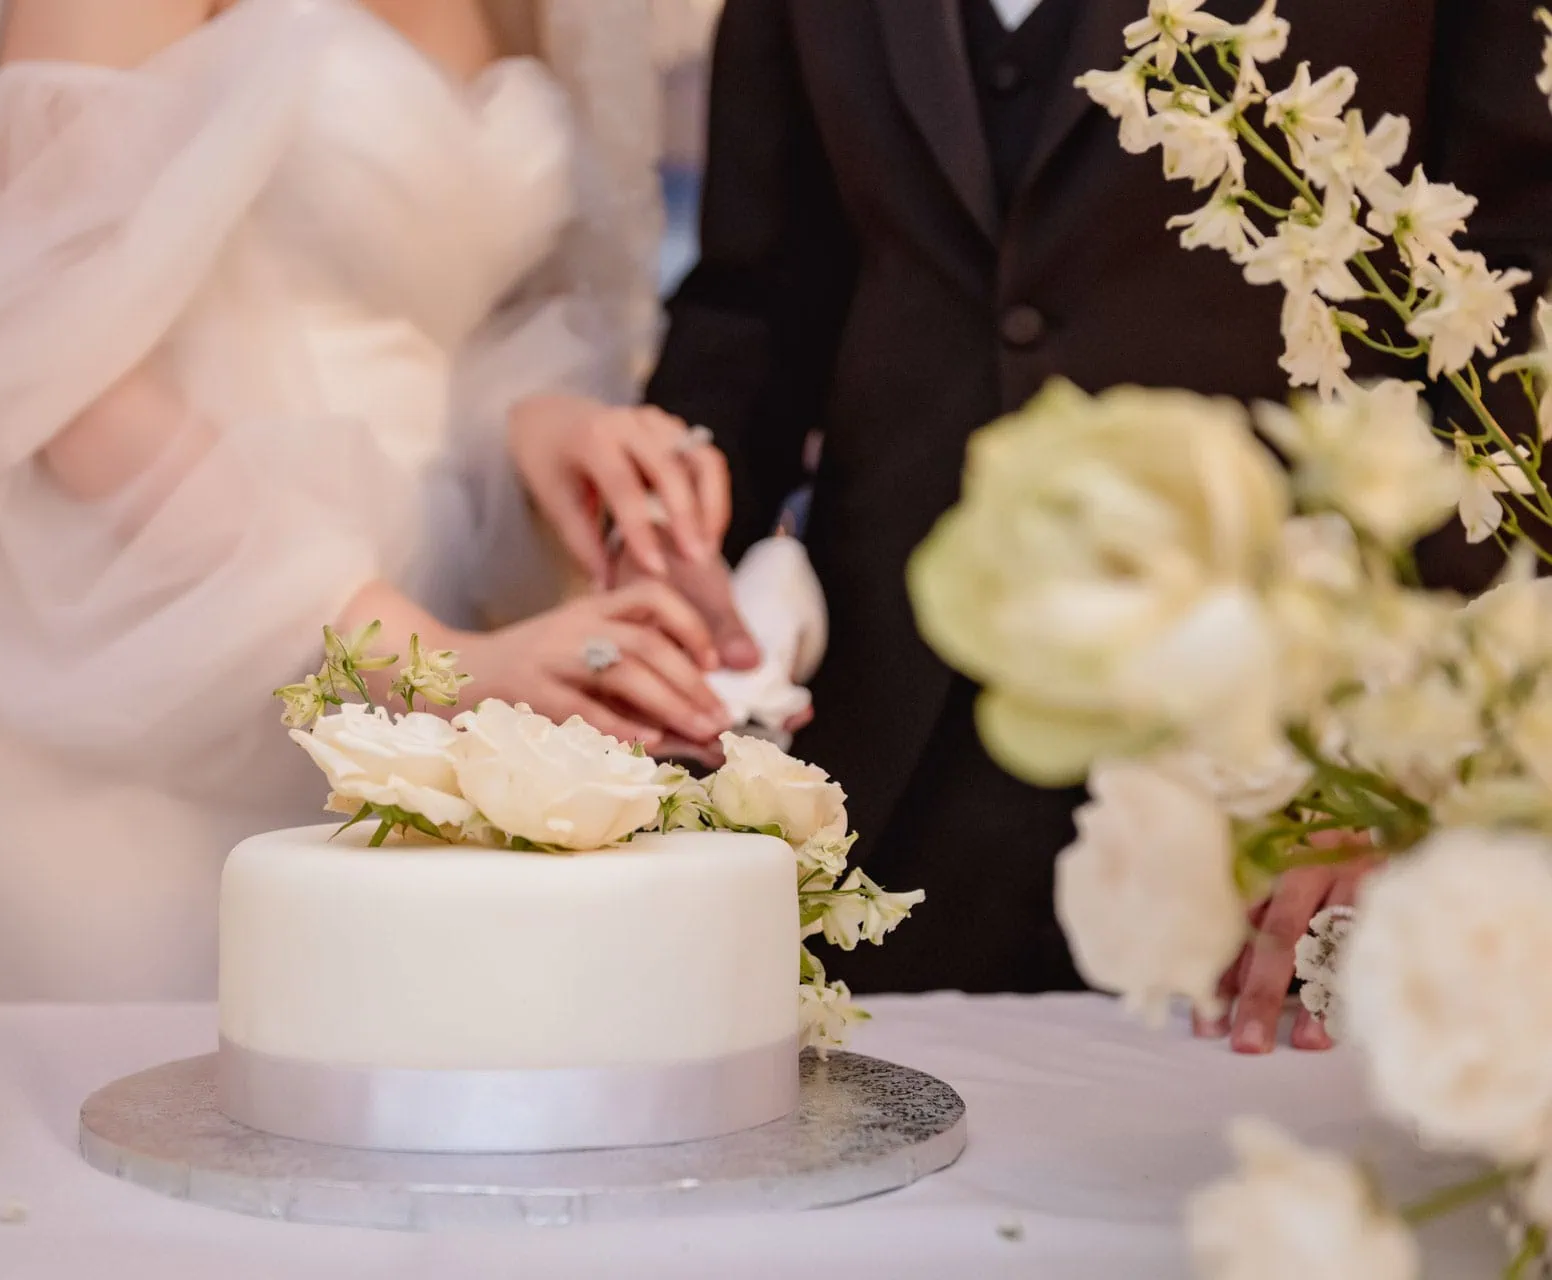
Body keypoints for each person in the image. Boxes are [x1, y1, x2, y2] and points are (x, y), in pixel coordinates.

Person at [647, 0, 1552, 1050]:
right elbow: (760, 299)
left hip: (1292, 801)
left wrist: (1428, 745)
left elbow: (1514, 287)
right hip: (887, 776)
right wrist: (664, 564)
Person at [0, 0, 750, 1000]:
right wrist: (413, 654)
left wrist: (536, 421)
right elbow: (49, 356)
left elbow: (457, 316)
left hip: (446, 638)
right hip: (145, 662)